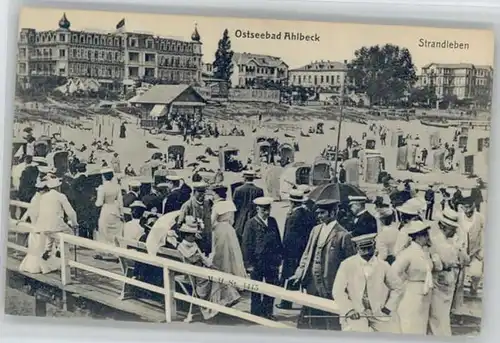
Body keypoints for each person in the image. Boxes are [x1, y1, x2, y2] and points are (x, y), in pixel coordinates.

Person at [289, 199, 356, 330]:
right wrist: (299, 273)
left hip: (330, 285)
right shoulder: (315, 230)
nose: (319, 216)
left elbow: (350, 264)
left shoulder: (343, 235)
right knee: (312, 318)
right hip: (311, 283)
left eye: (322, 213)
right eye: (318, 213)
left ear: (333, 213)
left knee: (331, 320)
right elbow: (307, 254)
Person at [333, 233, 403, 333]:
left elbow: (398, 287)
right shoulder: (346, 265)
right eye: (362, 248)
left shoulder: (383, 265)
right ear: (356, 248)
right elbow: (337, 291)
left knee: (394, 334)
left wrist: (388, 307)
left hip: (378, 313)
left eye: (369, 247)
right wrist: (349, 309)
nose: (366, 251)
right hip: (356, 312)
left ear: (374, 246)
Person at [177, 216, 241, 321]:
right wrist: (202, 259)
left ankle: (225, 301)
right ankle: (214, 307)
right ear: (185, 235)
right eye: (191, 235)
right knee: (215, 279)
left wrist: (210, 264)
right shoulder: (182, 247)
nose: (193, 237)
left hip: (200, 271)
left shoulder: (193, 244)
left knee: (219, 274)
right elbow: (192, 259)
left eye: (194, 234)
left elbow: (202, 259)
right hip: (194, 275)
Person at [391, 220, 438, 335]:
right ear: (417, 237)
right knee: (412, 326)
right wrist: (403, 284)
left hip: (426, 294)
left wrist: (433, 250)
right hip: (411, 294)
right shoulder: (408, 253)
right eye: (425, 235)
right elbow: (393, 272)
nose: (428, 237)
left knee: (421, 326)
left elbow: (436, 267)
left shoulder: (425, 252)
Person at [428, 208, 468, 336]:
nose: (455, 231)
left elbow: (464, 260)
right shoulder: (437, 241)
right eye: (452, 228)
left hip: (448, 279)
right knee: (438, 316)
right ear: (443, 226)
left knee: (441, 315)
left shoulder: (449, 241)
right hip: (440, 279)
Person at [242, 197, 283, 320]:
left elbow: (277, 239)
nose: (267, 212)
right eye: (264, 210)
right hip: (257, 263)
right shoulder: (251, 224)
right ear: (257, 209)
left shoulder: (272, 221)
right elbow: (246, 245)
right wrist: (248, 264)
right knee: (256, 289)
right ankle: (256, 313)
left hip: (271, 262)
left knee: (271, 288)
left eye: (268, 209)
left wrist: (279, 257)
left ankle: (268, 312)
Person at [276, 189, 315, 310]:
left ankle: (286, 302)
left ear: (292, 202)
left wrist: (283, 252)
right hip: (303, 250)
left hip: (292, 252)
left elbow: (288, 237)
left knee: (289, 277)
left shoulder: (293, 216)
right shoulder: (307, 213)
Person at [453, 196, 484, 317]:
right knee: (459, 280)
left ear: (473, 206)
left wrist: (480, 250)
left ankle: (474, 287)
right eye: (464, 207)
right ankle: (457, 306)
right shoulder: (458, 217)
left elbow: (485, 233)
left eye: (469, 207)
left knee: (476, 274)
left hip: (475, 251)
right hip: (461, 252)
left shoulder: (480, 218)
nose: (467, 210)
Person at [36, 178, 78, 261]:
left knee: (50, 233)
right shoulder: (61, 196)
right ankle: (59, 249)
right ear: (58, 187)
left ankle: (48, 249)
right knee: (69, 232)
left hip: (43, 224)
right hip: (55, 222)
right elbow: (70, 212)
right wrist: (74, 223)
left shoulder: (43, 196)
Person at [210, 185, 246, 278]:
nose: (213, 196)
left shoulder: (217, 205)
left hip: (220, 229)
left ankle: (222, 272)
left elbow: (212, 221)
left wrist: (212, 228)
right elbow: (232, 220)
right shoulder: (230, 204)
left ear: (217, 194)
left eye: (214, 194)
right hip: (229, 229)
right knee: (232, 251)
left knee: (220, 251)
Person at [94, 168, 124, 260]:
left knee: (104, 231)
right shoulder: (117, 186)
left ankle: (105, 252)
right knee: (115, 231)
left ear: (103, 176)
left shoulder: (102, 187)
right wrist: (121, 213)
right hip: (115, 210)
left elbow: (99, 203)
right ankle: (116, 252)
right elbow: (120, 201)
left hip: (106, 210)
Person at [177, 182, 212, 254]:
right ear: (194, 192)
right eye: (199, 192)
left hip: (206, 240)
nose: (202, 195)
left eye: (203, 192)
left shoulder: (207, 204)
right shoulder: (187, 205)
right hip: (193, 243)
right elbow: (180, 224)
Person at [233, 170, 264, 244]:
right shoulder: (259, 190)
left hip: (241, 217)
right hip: (254, 216)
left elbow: (235, 206)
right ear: (253, 178)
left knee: (240, 238)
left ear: (244, 178)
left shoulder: (238, 190)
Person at [69, 162, 96, 239]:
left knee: (81, 222)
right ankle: (90, 237)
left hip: (79, 204)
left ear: (77, 170)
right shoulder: (89, 180)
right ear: (85, 169)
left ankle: (83, 239)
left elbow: (72, 195)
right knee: (90, 221)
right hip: (89, 203)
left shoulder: (74, 181)